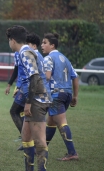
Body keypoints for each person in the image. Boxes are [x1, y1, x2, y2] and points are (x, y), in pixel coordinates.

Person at [7, 26, 52, 171]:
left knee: (39, 141)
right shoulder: (27, 52)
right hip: (35, 98)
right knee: (26, 137)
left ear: (12, 40)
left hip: (37, 100)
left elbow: (34, 78)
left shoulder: (25, 53)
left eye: (9, 40)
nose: (9, 43)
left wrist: (27, 102)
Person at [41, 32, 79, 161]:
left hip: (56, 94)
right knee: (51, 121)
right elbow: (75, 77)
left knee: (61, 123)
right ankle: (42, 149)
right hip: (66, 94)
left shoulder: (48, 58)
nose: (42, 45)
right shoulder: (65, 58)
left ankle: (72, 153)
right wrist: (75, 96)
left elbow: (47, 76)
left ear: (52, 45)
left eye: (44, 43)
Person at [5, 51, 25, 150]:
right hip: (20, 86)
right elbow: (16, 69)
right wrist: (10, 85)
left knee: (14, 111)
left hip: (24, 87)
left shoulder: (24, 52)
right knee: (21, 111)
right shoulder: (17, 54)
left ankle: (27, 141)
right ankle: (27, 140)